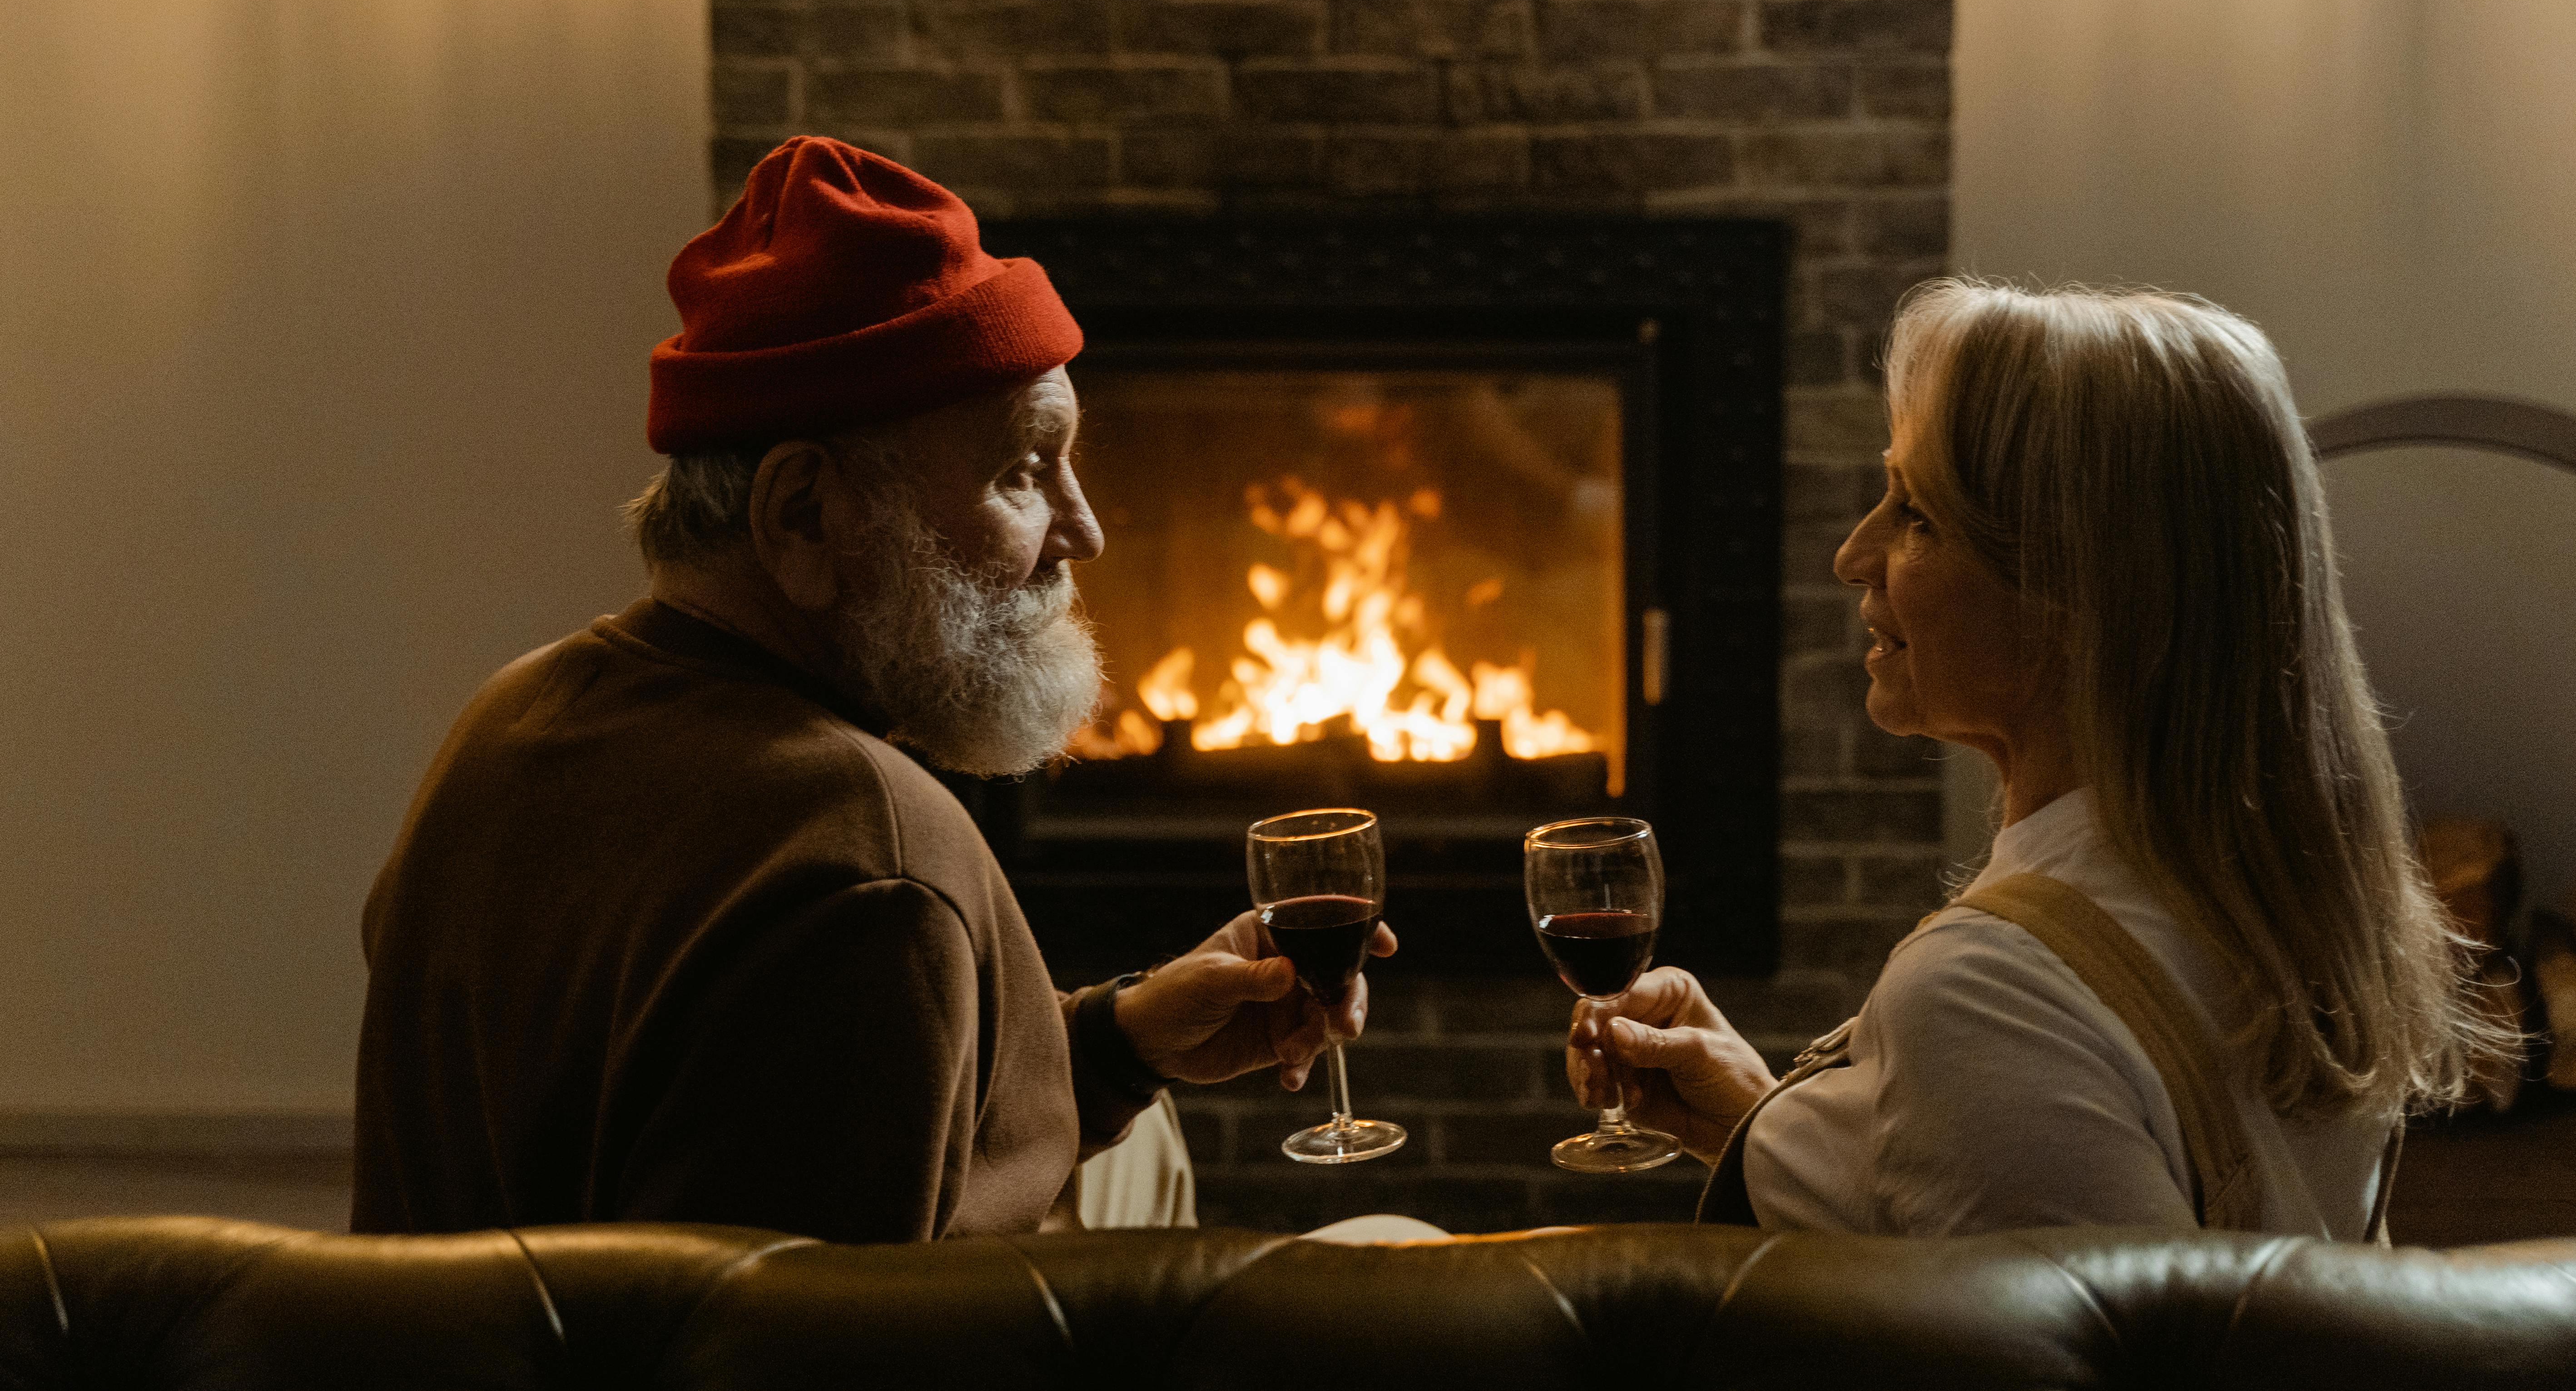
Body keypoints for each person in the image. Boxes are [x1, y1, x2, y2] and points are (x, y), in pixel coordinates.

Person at [352, 136, 1389, 1242]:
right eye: (1022, 470)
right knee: (1393, 1257)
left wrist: (1121, 1043)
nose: (1081, 533)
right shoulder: (864, 858)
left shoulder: (512, 717)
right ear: (804, 514)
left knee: (1154, 1141)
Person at [1568, 279, 2511, 1238]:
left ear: (2081, 593)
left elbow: (2070, 1348)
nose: (1855, 555)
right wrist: (1754, 1117)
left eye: (1918, 514)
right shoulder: (2271, 902)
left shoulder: (1990, 991)